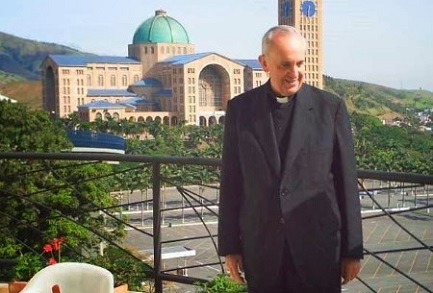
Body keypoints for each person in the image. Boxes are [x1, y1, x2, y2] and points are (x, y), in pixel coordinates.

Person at [218, 25, 363, 293]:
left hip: (318, 250)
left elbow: (346, 181)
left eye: (300, 63)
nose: (294, 73)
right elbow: (231, 182)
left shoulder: (330, 108)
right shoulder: (240, 110)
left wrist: (353, 250)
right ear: (265, 63)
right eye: (285, 65)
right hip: (262, 251)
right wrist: (230, 246)